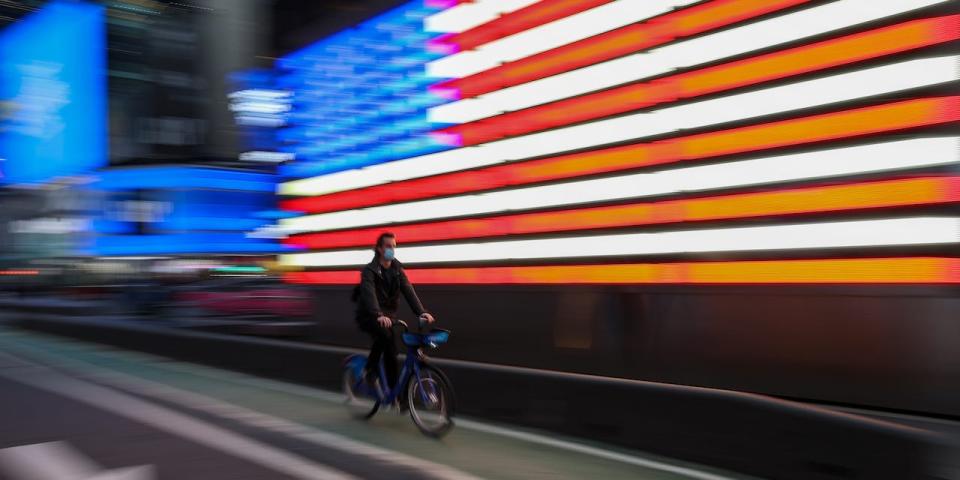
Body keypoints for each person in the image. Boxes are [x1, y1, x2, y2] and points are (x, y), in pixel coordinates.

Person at [354, 232, 434, 390]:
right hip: (369, 315)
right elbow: (369, 295)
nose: (392, 249)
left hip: (388, 316)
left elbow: (408, 290)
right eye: (388, 246)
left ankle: (396, 391)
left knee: (391, 345)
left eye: (394, 246)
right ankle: (371, 373)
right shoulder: (369, 271)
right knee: (387, 341)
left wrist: (421, 312)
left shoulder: (397, 270)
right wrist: (378, 314)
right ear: (379, 249)